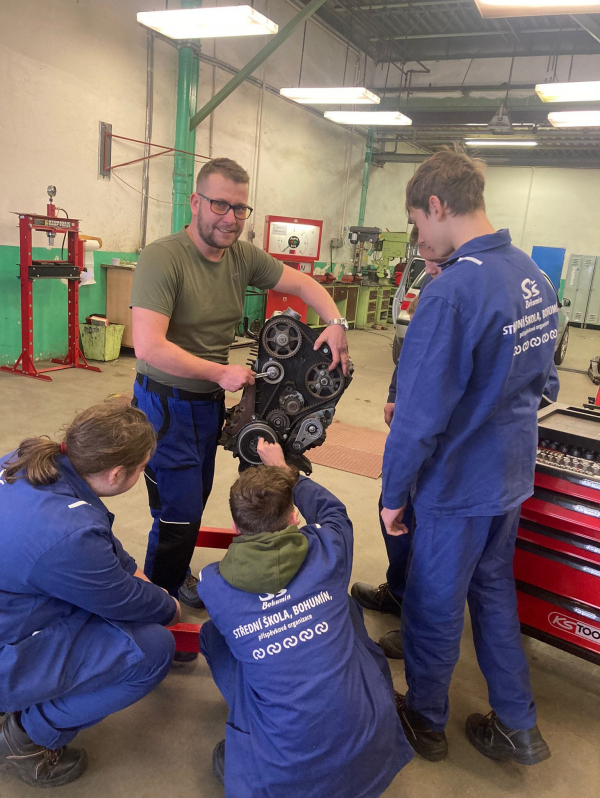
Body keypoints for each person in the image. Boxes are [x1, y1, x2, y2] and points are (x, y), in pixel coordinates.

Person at [381, 148, 557, 766]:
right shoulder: (532, 276)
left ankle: (425, 719)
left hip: (456, 483)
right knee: (492, 592)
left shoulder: (452, 290)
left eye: (417, 223)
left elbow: (418, 418)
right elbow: (546, 384)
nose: (419, 239)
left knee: (433, 601)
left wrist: (393, 494)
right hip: (510, 476)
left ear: (436, 205)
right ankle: (518, 725)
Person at [131, 158, 350, 626]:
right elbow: (149, 346)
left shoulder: (242, 257)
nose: (230, 218)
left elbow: (302, 282)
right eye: (219, 205)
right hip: (165, 404)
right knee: (178, 516)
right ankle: (159, 614)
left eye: (239, 208)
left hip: (208, 404)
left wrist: (335, 322)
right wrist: (219, 372)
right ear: (195, 202)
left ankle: (173, 576)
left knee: (191, 501)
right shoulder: (162, 257)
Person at [197, 438, 413, 798]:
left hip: (283, 782)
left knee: (214, 635)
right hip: (371, 756)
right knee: (344, 609)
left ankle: (250, 745)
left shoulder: (214, 586)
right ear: (294, 518)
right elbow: (333, 511)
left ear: (236, 527)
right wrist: (285, 469)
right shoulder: (328, 550)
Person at [0, 404, 179, 789]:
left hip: (12, 598)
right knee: (152, 649)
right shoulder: (68, 534)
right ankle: (28, 737)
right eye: (142, 467)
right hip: (6, 643)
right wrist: (169, 607)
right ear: (116, 473)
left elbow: (94, 538)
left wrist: (132, 571)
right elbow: (121, 596)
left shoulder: (26, 460)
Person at [352, 238, 444, 626]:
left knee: (409, 517)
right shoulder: (434, 290)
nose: (427, 266)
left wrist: (393, 495)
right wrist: (394, 395)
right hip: (427, 436)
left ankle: (416, 618)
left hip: (442, 445)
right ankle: (400, 592)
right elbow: (409, 355)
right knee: (400, 513)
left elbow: (421, 417)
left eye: (433, 257)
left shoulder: (456, 300)